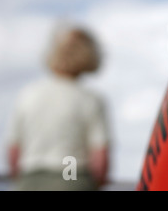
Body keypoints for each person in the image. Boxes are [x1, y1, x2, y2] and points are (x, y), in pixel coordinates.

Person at [6, 26, 110, 191]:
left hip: (31, 178)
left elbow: (13, 151)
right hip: (72, 175)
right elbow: (100, 158)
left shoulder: (28, 95)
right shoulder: (90, 99)